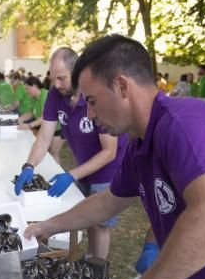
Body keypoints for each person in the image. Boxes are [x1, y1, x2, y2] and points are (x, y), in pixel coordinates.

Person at [24, 34, 205, 279]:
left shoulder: (184, 125)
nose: (90, 114)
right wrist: (49, 225)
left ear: (122, 86)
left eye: (92, 100)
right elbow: (108, 201)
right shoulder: (139, 147)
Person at [14, 47, 127, 260]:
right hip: (83, 165)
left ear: (77, 71)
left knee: (99, 223)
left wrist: (72, 174)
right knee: (87, 217)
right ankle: (90, 259)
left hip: (108, 169)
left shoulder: (96, 96)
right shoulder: (56, 96)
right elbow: (45, 136)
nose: (56, 85)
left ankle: (96, 270)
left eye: (62, 78)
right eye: (53, 78)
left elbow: (109, 152)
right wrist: (29, 165)